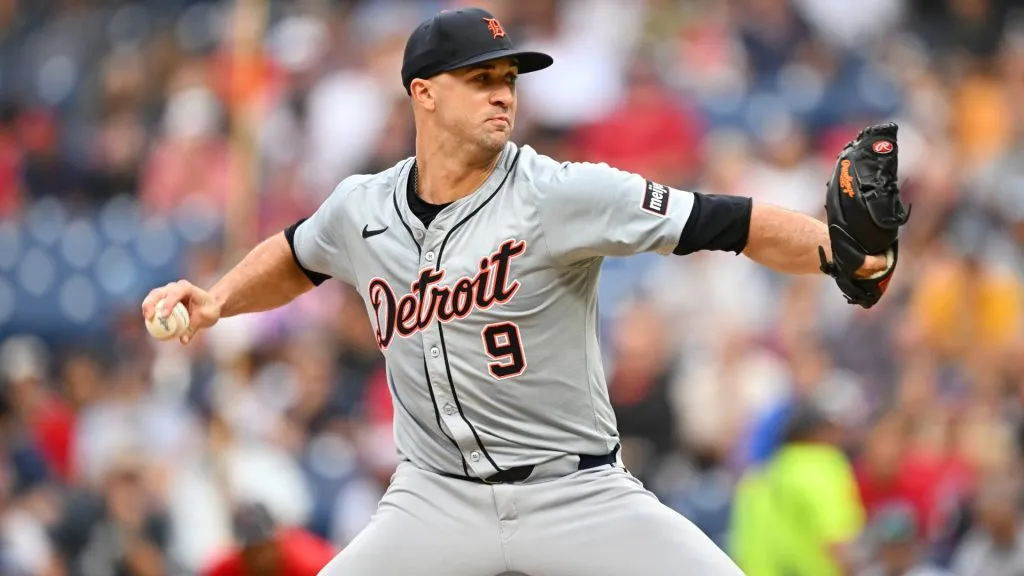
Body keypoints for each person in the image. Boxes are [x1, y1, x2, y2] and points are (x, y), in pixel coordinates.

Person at [141, 7, 893, 575]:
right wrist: (216, 300)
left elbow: (723, 221)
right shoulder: (361, 208)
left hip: (577, 492)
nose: (504, 94)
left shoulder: (558, 193)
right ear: (423, 93)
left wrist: (838, 251)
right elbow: (297, 254)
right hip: (435, 497)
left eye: (508, 79)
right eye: (481, 79)